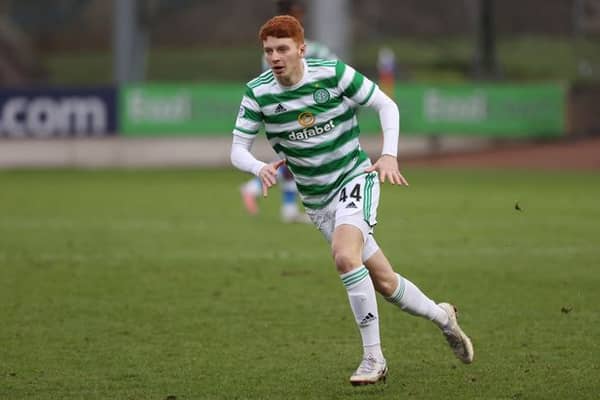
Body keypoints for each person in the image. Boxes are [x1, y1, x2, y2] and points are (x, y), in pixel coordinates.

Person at [230, 15, 474, 386]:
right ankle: (444, 318)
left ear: (300, 49)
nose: (275, 57)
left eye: (282, 49)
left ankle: (373, 359)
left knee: (345, 257)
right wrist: (258, 166)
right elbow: (236, 149)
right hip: (317, 201)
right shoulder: (258, 92)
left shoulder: (333, 74)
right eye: (268, 51)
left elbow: (386, 106)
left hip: (355, 178)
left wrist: (389, 155)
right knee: (386, 283)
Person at [240, 0, 337, 223]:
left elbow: (335, 72)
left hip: (299, 112)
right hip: (292, 113)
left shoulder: (305, 49)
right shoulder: (301, 50)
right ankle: (255, 188)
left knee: (294, 160)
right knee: (297, 158)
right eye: (296, 13)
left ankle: (287, 207)